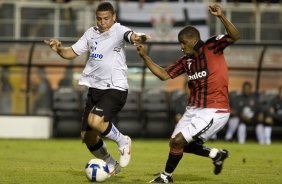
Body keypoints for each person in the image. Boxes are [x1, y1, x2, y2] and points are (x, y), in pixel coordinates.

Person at [136, 3, 240, 183]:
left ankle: (166, 177)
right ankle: (216, 154)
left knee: (178, 141)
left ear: (192, 40)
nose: (181, 47)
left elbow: (235, 36)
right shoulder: (186, 61)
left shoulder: (212, 46)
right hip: (193, 109)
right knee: (177, 144)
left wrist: (221, 16)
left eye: (183, 43)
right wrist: (145, 56)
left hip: (215, 110)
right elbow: (163, 75)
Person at [45, 1, 149, 176]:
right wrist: (59, 49)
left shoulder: (118, 30)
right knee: (87, 136)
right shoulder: (90, 34)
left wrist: (139, 38)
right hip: (95, 89)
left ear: (113, 18)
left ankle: (123, 141)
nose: (103, 22)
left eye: (106, 19)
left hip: (115, 88)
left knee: (95, 121)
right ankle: (111, 163)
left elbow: (131, 36)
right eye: (99, 19)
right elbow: (71, 53)